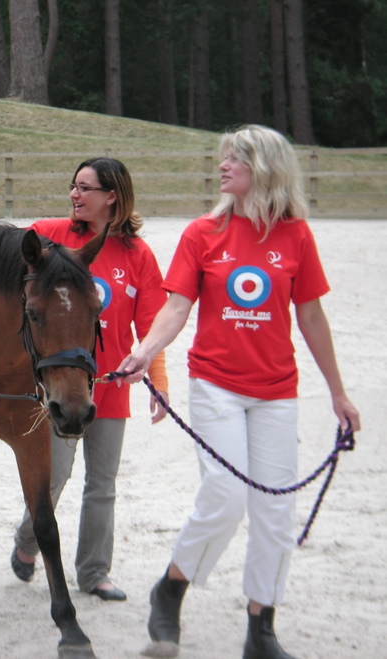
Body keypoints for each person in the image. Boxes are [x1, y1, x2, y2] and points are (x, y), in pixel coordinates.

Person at [118, 125, 361, 658]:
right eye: (224, 158)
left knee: (276, 511)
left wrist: (339, 395)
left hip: (277, 390)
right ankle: (172, 588)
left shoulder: (296, 236)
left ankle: (261, 628)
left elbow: (313, 316)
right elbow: (177, 307)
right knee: (225, 498)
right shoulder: (202, 233)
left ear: (266, 169)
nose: (223, 166)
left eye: (236, 159)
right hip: (216, 384)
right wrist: (145, 352)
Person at [10, 157, 169, 601]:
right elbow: (1, 243)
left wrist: (157, 377)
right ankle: (27, 541)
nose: (75, 195)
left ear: (111, 196)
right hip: (62, 388)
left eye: (85, 188)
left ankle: (95, 572)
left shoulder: (138, 256)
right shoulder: (51, 235)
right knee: (54, 477)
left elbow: (152, 324)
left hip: (111, 389)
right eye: (73, 187)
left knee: (102, 485)